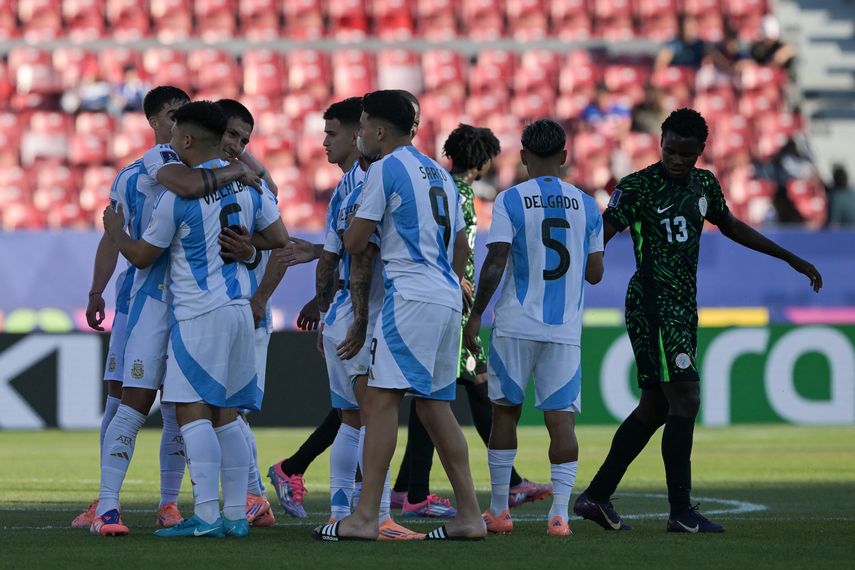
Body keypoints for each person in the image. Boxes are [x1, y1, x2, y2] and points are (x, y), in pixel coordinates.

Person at [573, 108, 822, 533]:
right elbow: (600, 234)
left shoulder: (705, 184)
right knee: (686, 398)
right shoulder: (635, 187)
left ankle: (596, 497)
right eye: (670, 150)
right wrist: (574, 269)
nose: (676, 160)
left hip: (683, 306)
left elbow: (732, 226)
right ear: (661, 142)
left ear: (699, 152)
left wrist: (790, 257)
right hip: (653, 304)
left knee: (654, 408)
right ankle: (680, 511)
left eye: (686, 154)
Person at [103, 101, 288, 538]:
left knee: (189, 412)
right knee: (225, 413)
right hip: (239, 309)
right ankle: (237, 513)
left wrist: (114, 230)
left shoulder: (176, 199)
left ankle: (205, 516)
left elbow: (145, 254)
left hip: (194, 311)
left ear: (185, 139)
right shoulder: (246, 187)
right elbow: (280, 236)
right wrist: (252, 236)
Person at [313, 90, 486, 541]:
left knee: (380, 400)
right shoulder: (440, 174)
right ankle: (470, 515)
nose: (361, 134)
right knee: (434, 407)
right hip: (447, 295)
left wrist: (357, 230)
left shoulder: (385, 167)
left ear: (379, 131)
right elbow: (460, 244)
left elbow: (355, 243)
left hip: (409, 296)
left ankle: (366, 516)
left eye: (365, 125)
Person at [267, 91, 424, 519]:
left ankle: (342, 510)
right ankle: (375, 516)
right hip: (368, 317)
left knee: (352, 418)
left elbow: (334, 258)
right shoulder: (375, 180)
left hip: (345, 314)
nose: (324, 143)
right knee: (374, 418)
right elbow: (361, 255)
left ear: (361, 133)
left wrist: (325, 311)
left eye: (331, 133)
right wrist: (351, 316)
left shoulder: (347, 188)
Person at [391, 124, 552, 517]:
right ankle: (423, 491)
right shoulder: (460, 193)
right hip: (452, 302)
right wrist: (463, 298)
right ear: (482, 162)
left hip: (435, 296)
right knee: (459, 391)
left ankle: (408, 490)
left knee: (442, 394)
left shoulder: (440, 185)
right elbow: (457, 246)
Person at [463, 119, 604, 537]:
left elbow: (496, 261)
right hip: (564, 330)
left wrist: (475, 315)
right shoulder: (588, 204)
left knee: (505, 412)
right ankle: (559, 515)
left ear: (523, 158)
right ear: (564, 156)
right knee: (561, 421)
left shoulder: (510, 200)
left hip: (515, 323)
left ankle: (500, 512)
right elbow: (595, 274)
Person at [81, 86, 192, 535]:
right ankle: (106, 500)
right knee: (120, 396)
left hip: (188, 300)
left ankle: (169, 503)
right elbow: (112, 235)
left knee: (177, 406)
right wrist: (96, 290)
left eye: (185, 112)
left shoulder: (203, 173)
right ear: (153, 121)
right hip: (136, 299)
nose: (180, 119)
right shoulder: (130, 176)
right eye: (172, 114)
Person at [215, 98, 286, 528]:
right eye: (232, 136)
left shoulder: (253, 190)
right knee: (219, 409)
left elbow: (283, 246)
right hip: (224, 311)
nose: (237, 145)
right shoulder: (215, 183)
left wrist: (258, 301)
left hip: (246, 311)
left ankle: (253, 494)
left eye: (244, 140)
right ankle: (247, 495)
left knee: (228, 410)